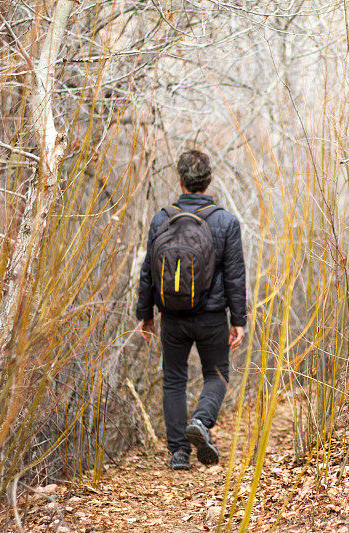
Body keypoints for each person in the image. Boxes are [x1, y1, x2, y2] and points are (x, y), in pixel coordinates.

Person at [136, 150, 246, 470]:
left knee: (174, 379)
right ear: (209, 180)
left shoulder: (162, 218)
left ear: (180, 180)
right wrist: (237, 320)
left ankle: (179, 453)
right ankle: (200, 420)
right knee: (217, 374)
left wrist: (145, 314)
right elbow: (236, 276)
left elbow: (147, 271)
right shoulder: (226, 221)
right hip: (212, 316)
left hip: (172, 316)